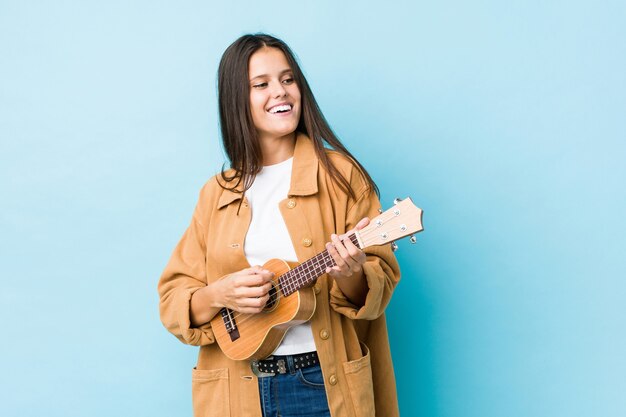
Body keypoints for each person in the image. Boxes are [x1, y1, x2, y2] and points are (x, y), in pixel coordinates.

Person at [158, 33, 401, 417]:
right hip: (236, 392)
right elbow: (173, 300)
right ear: (236, 99)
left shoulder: (341, 175)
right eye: (261, 84)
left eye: (288, 80)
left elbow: (378, 284)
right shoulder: (216, 193)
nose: (281, 92)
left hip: (320, 385)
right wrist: (219, 294)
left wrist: (351, 273)